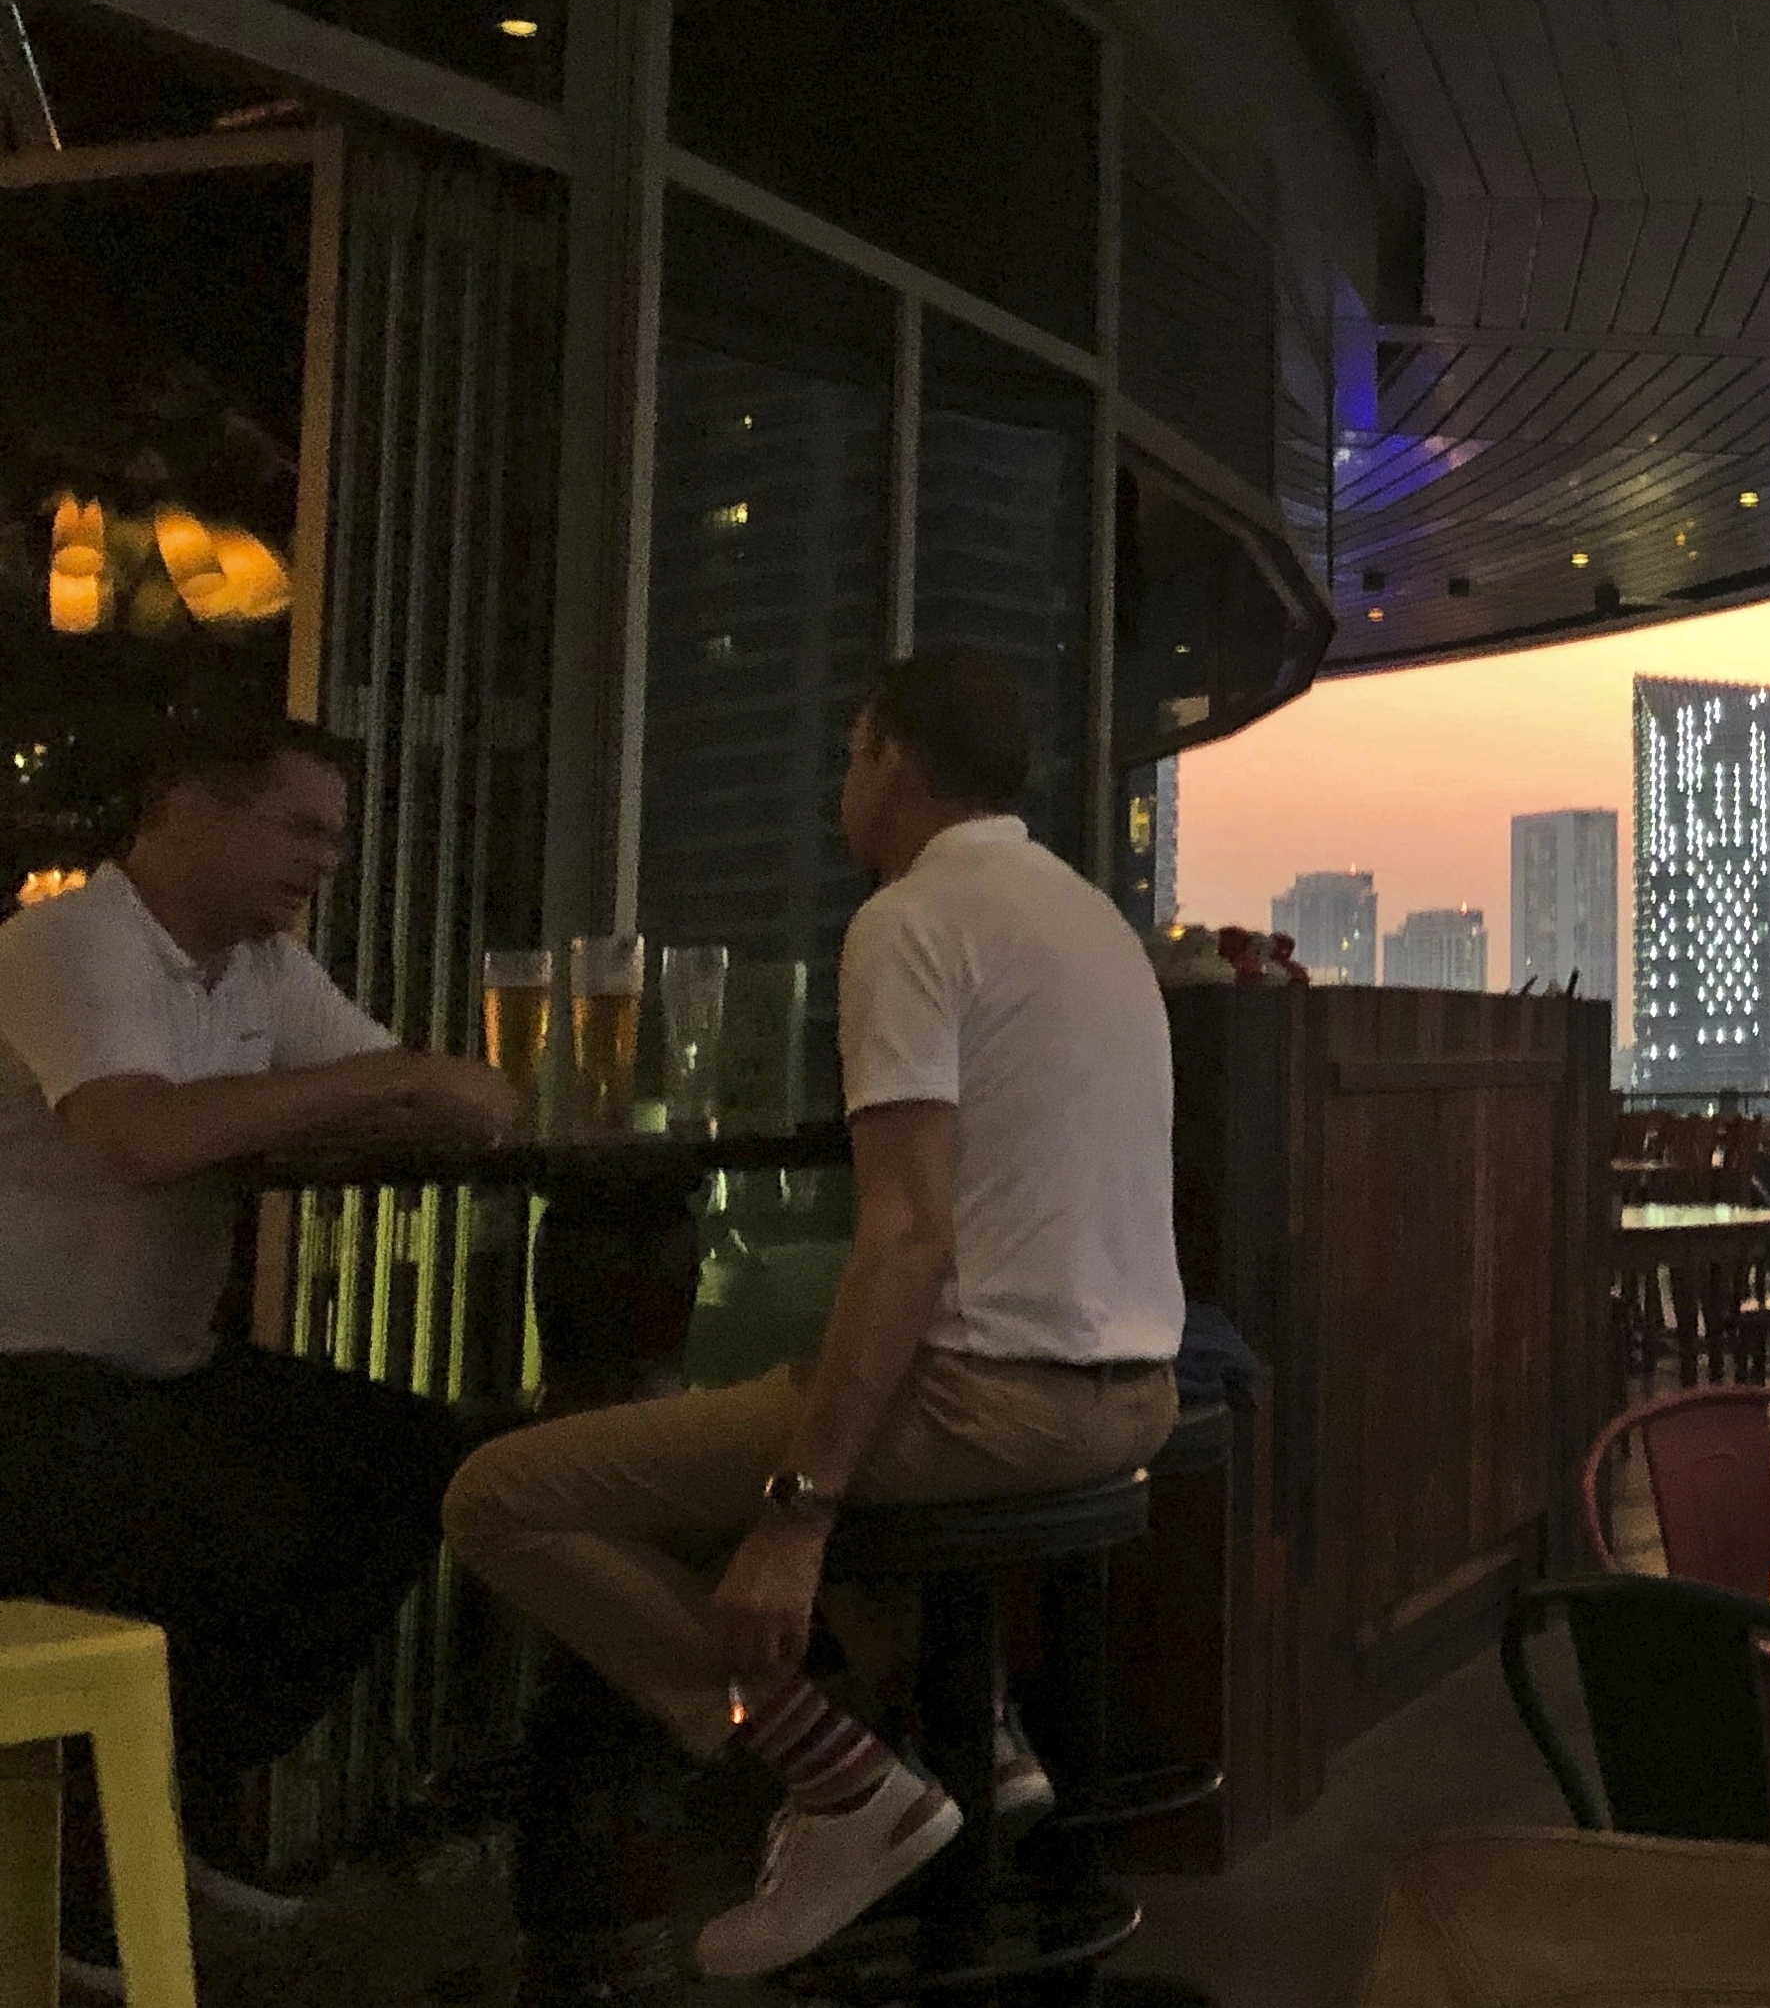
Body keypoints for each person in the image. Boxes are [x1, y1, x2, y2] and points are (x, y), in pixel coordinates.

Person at [446, 652, 1184, 1980]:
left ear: (886, 757)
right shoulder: (1091, 919)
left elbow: (904, 1232)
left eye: (850, 757)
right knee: (796, 1391)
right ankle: (970, 1729)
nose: (842, 787)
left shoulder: (908, 921)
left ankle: (840, 1781)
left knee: (501, 1493)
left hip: (994, 1403)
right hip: (1133, 1397)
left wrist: (794, 1515)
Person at [0, 713, 517, 1873]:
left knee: (414, 1457)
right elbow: (139, 1133)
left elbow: (453, 1101)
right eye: (301, 828)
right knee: (229, 1524)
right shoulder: (69, 942)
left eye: (334, 836)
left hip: (154, 1371)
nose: (326, 859)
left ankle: (149, 1813)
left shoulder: (262, 969)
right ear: (187, 811)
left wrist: (389, 1088)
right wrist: (375, 1082)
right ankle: (96, 1843)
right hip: (21, 1378)